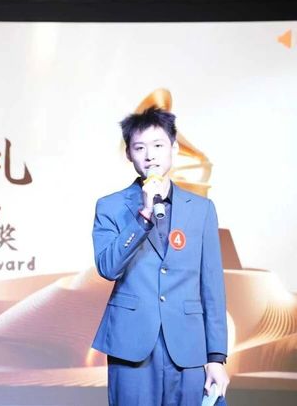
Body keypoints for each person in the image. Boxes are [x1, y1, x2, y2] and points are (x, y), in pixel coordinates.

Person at [91, 106, 229, 405]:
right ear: (129, 154)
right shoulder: (110, 206)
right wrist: (142, 215)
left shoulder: (201, 209)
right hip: (132, 343)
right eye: (140, 147)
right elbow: (108, 267)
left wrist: (216, 357)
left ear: (174, 149)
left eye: (158, 145)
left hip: (188, 346)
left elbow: (212, 286)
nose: (150, 156)